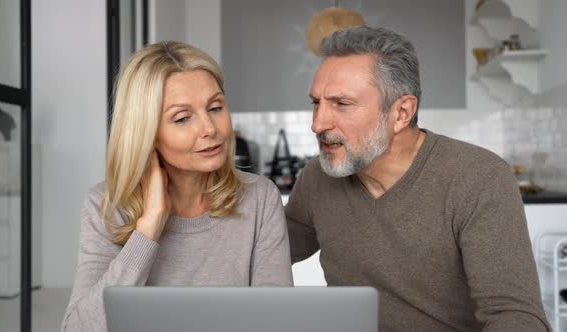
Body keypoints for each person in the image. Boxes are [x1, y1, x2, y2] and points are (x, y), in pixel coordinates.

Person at [286, 26, 551, 331]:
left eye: (341, 104)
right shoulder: (318, 179)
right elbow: (258, 252)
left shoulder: (479, 178)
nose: (317, 123)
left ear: (401, 113)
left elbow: (516, 317)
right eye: (316, 103)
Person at [62, 41, 293, 332]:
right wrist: (148, 230)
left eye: (216, 107)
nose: (210, 128)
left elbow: (275, 320)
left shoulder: (260, 198)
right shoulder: (106, 206)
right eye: (183, 118)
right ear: (146, 132)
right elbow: (78, 329)